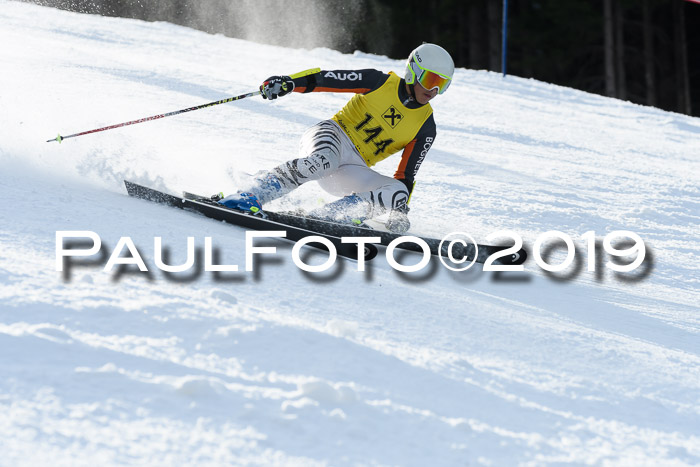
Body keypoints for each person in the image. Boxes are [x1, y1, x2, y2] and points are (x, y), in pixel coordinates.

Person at [219, 43, 454, 234]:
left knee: (399, 193)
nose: (433, 91)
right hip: (332, 136)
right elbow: (328, 79)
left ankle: (331, 218)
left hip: (352, 167)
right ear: (414, 71)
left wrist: (398, 212)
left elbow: (406, 176)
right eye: (431, 80)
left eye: (441, 85)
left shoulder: (426, 127)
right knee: (324, 160)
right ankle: (252, 191)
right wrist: (289, 82)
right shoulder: (380, 82)